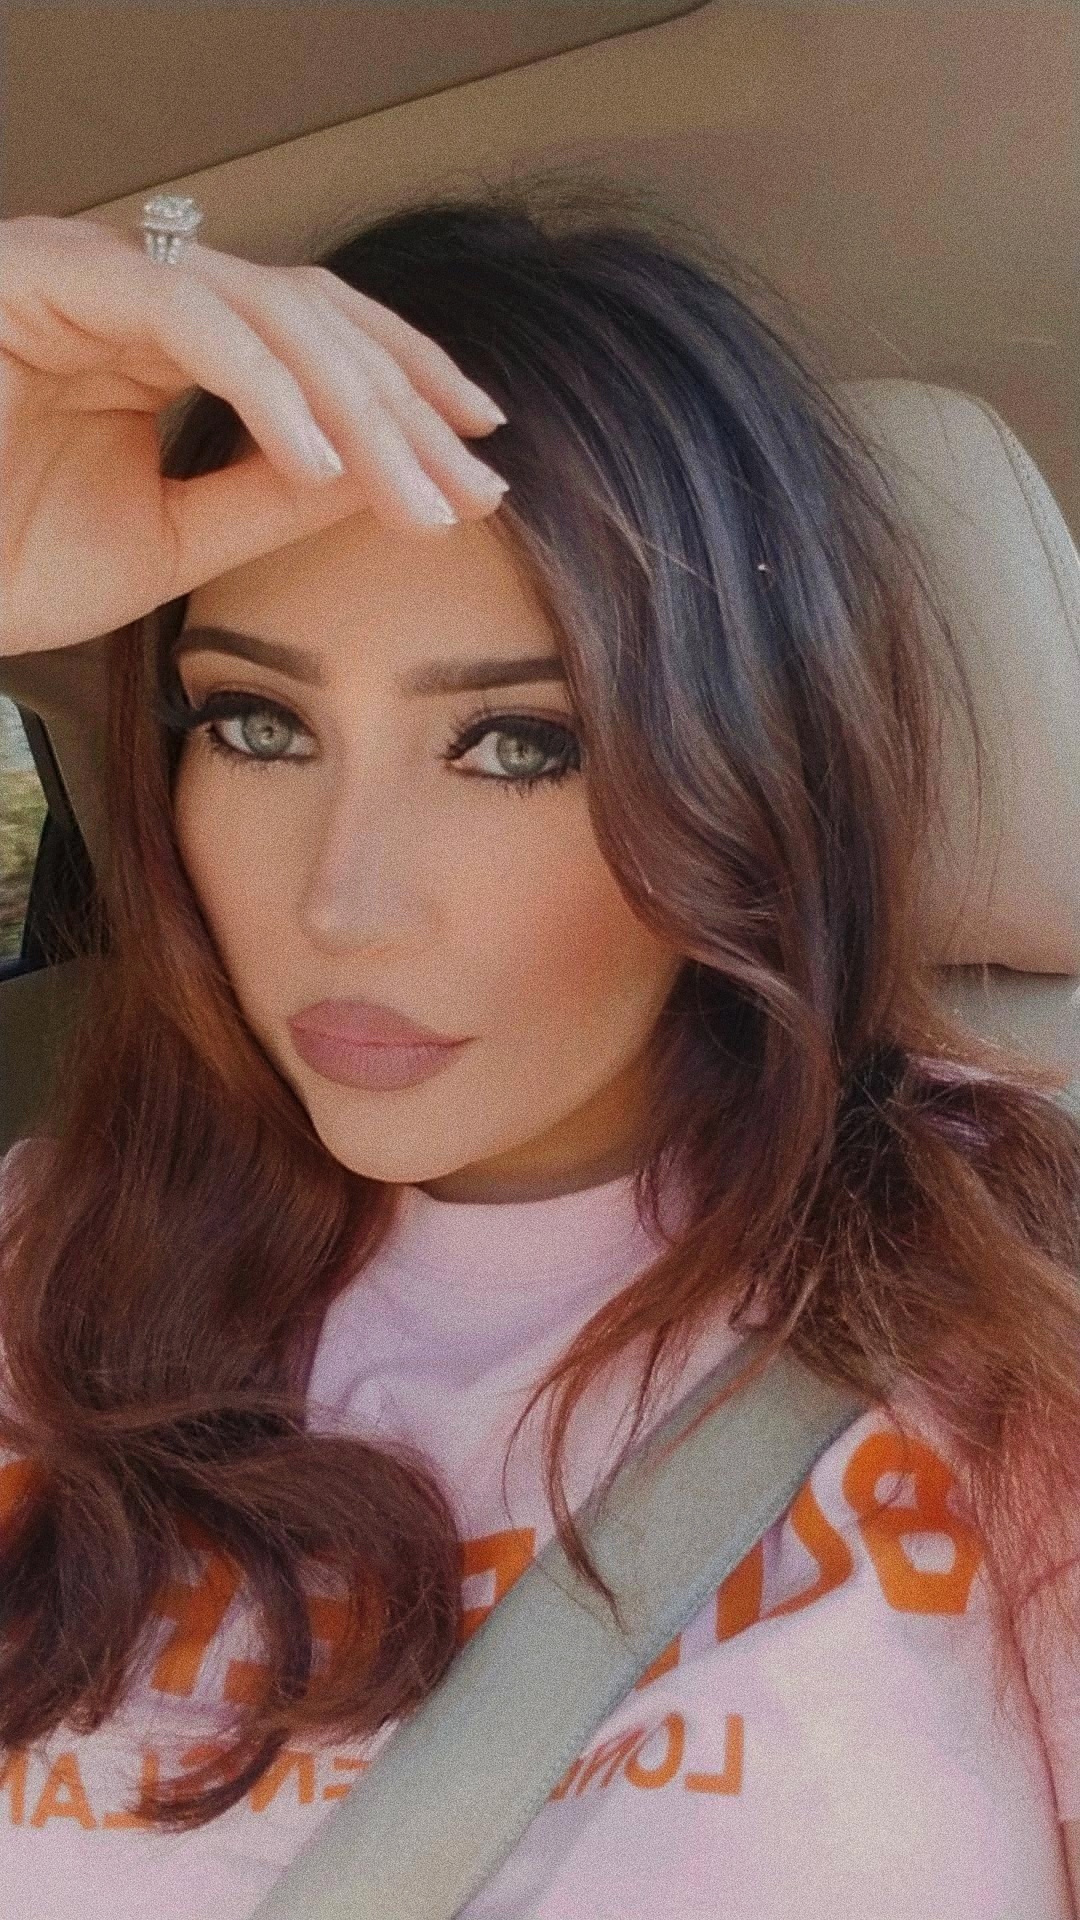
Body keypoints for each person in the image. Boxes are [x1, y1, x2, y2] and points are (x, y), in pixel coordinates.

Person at [0, 178, 1079, 1919]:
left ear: (747, 781)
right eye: (257, 723)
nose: (344, 904)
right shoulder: (41, 1270)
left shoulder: (1019, 1298)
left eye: (518, 745)